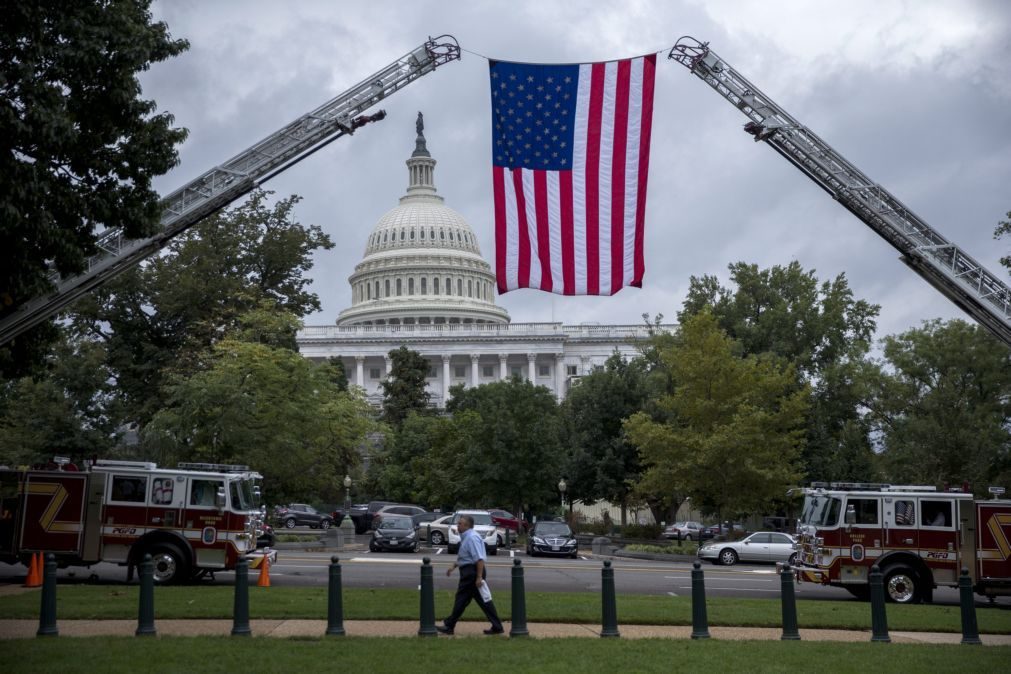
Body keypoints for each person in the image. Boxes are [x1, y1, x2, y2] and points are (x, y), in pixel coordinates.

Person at [437, 514, 504, 635]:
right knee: (483, 600)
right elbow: (465, 556)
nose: (457, 525)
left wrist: (479, 577)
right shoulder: (467, 537)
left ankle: (449, 625)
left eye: (460, 523)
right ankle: (497, 626)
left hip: (472, 573)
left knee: (461, 599)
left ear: (467, 526)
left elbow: (479, 559)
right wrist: (454, 565)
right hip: (471, 571)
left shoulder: (472, 538)